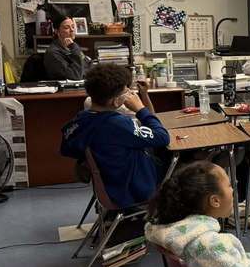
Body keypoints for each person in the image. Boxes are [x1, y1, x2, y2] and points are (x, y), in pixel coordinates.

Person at [61, 63, 170, 209]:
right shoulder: (117, 124)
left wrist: (144, 96)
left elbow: (66, 148)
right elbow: (162, 137)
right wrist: (140, 109)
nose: (129, 94)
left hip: (111, 185)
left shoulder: (81, 120)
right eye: (126, 91)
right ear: (116, 100)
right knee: (184, 160)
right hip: (133, 189)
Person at [43, 13, 90, 80]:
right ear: (57, 31)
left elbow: (87, 65)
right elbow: (75, 75)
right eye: (67, 27)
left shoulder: (73, 46)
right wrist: (74, 48)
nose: (72, 30)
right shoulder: (53, 53)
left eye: (73, 26)